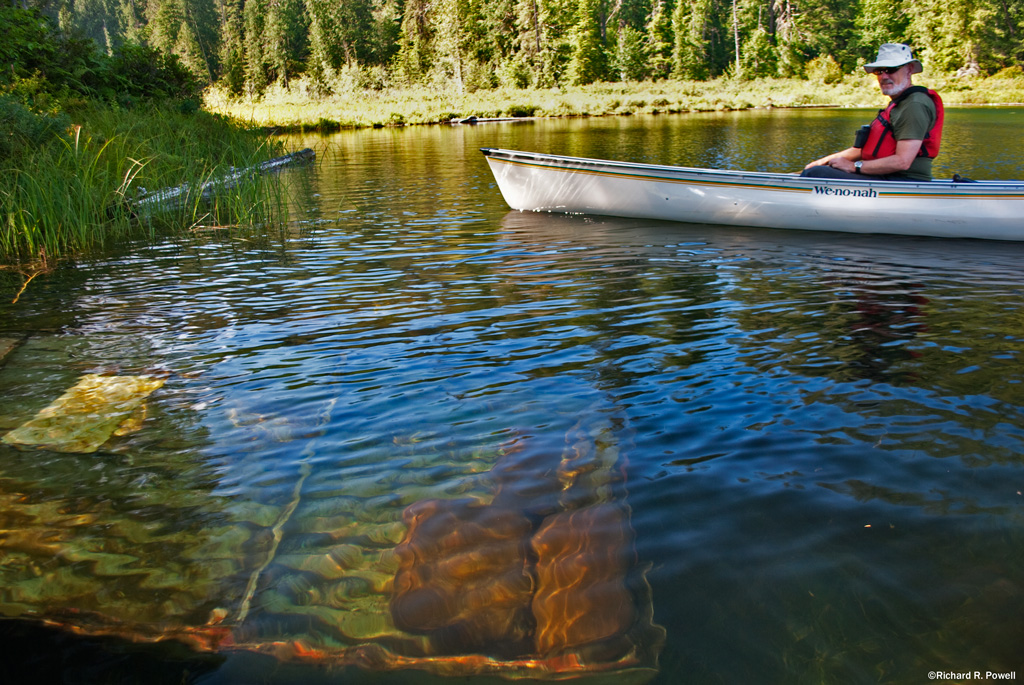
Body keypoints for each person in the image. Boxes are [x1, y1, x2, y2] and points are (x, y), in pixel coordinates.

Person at [802, 43, 943, 182]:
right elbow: (861, 151)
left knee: (817, 174)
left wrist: (853, 166)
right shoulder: (900, 103)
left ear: (909, 69)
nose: (884, 76)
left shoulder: (913, 105)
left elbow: (902, 161)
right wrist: (822, 162)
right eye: (879, 71)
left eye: (891, 69)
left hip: (903, 180)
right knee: (815, 169)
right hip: (883, 176)